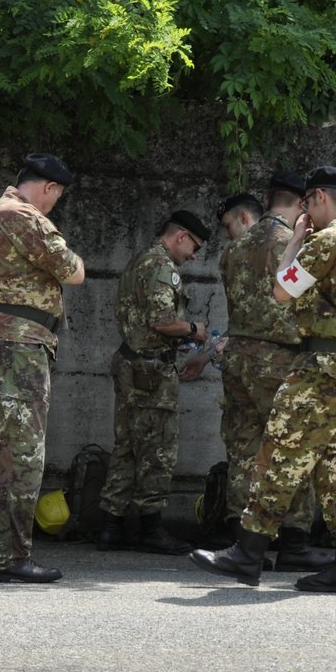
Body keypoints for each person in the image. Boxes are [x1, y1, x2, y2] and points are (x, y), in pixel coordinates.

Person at [190, 165, 336, 593]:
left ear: (316, 198)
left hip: (317, 367)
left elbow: (283, 289)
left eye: (308, 205)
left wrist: (297, 238)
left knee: (278, 452)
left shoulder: (327, 241)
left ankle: (247, 553)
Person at [186, 175, 329, 570]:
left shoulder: (234, 248)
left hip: (239, 356)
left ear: (266, 201)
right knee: (293, 445)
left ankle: (241, 539)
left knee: (244, 449)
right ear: (302, 204)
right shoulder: (294, 244)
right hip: (281, 359)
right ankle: (295, 542)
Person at [0, 154, 84, 583]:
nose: (55, 206)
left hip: (0, 339)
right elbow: (72, 271)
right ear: (49, 188)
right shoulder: (24, 216)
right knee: (21, 451)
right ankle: (11, 555)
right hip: (21, 344)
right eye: (57, 197)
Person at [93, 209, 213, 555]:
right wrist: (195, 330)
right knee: (157, 450)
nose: (194, 256)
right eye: (194, 247)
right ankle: (151, 528)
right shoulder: (161, 268)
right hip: (151, 373)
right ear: (181, 237)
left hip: (133, 363)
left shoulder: (139, 262)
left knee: (128, 448)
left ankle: (111, 525)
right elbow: (163, 321)